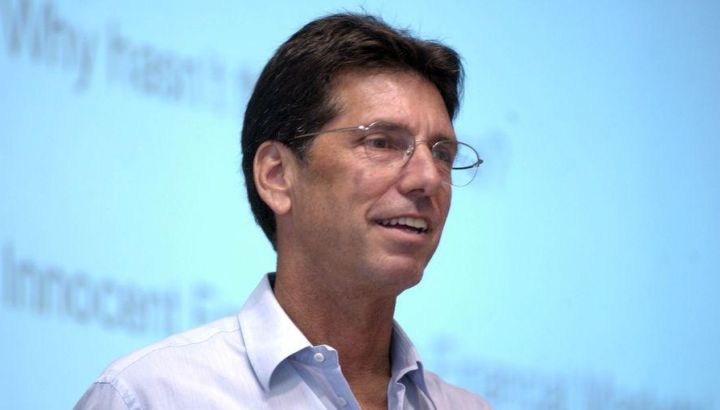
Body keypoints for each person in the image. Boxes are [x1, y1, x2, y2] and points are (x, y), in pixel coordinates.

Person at [75, 13, 490, 410]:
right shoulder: (148, 396)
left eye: (443, 154)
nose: (428, 178)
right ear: (277, 176)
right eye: (381, 143)